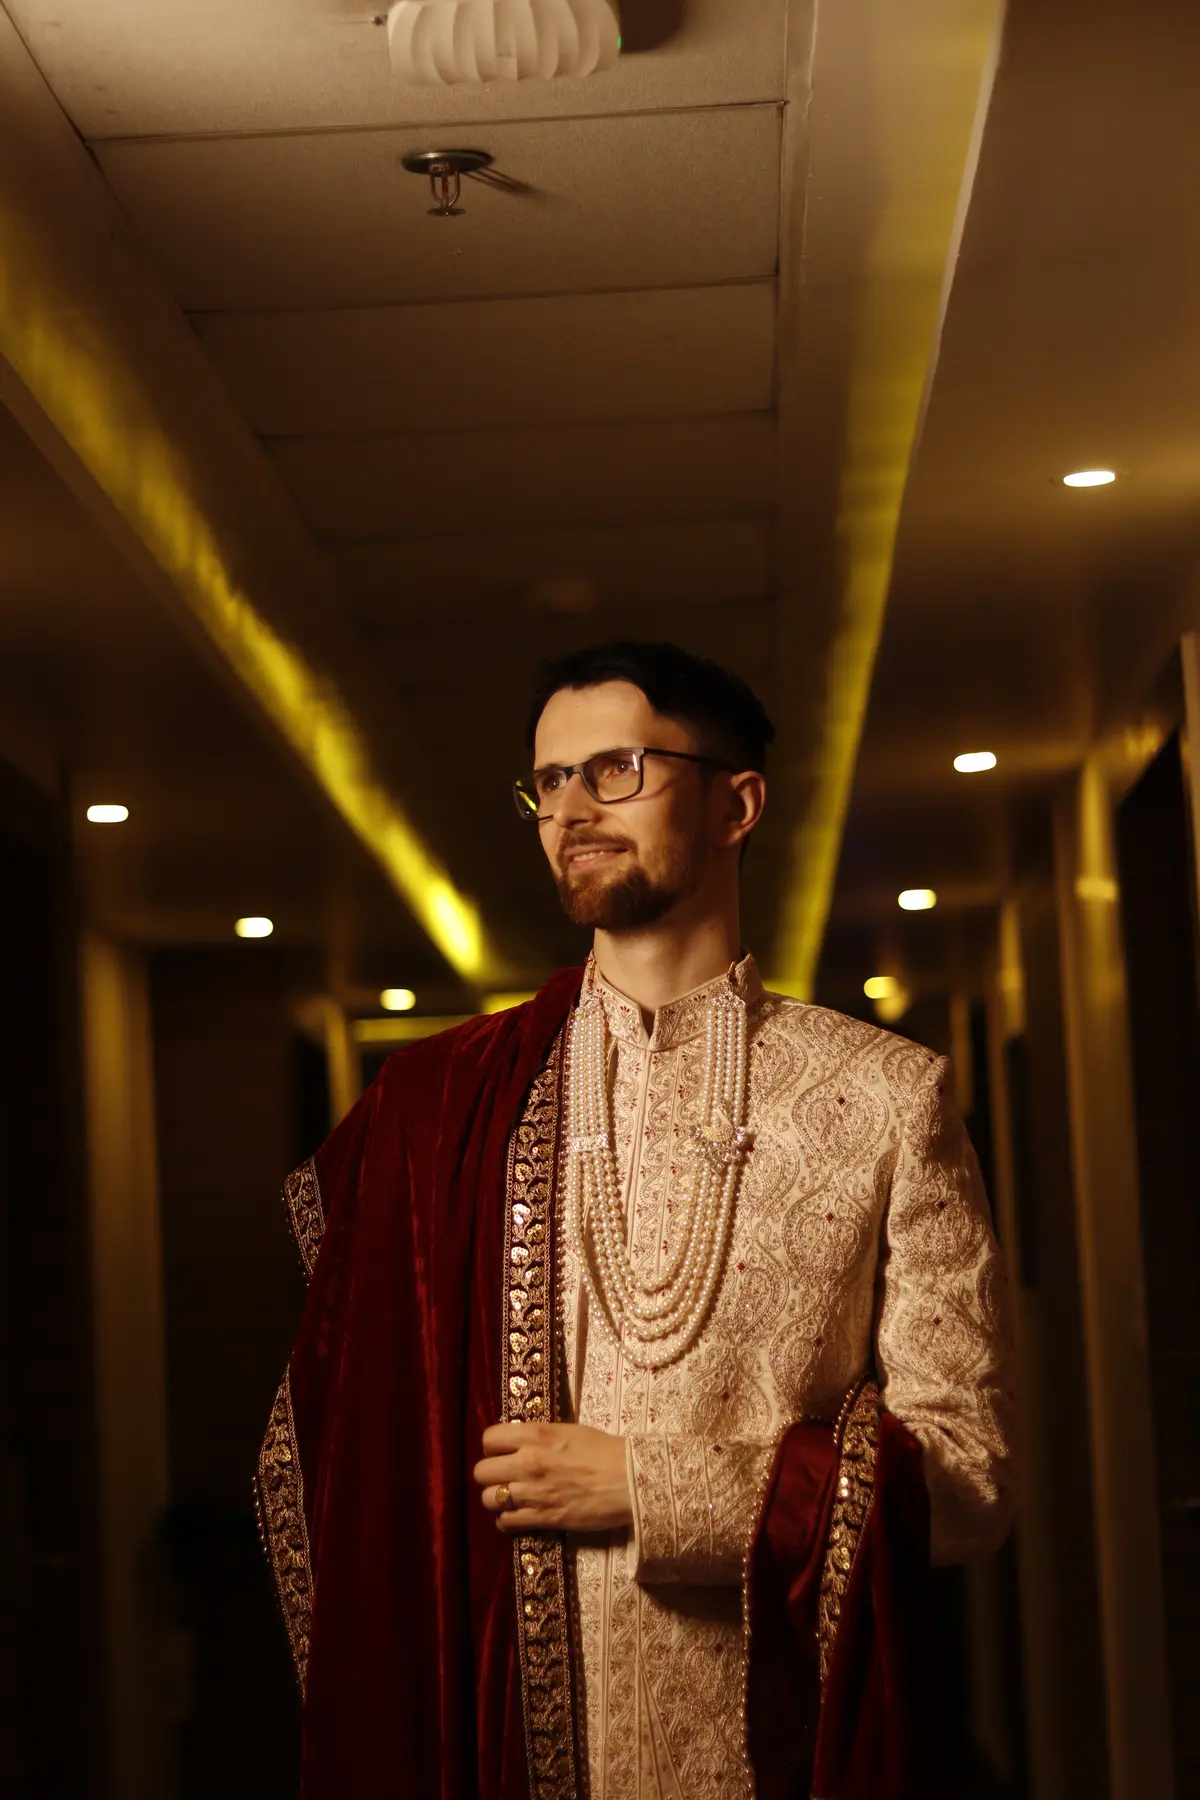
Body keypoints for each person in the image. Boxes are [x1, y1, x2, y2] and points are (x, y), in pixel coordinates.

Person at [257, 641, 1015, 1800]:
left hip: (784, 1751)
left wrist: (651, 1489)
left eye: (618, 770)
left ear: (737, 805)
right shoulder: (439, 1107)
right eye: (549, 782)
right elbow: (351, 1458)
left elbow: (966, 1481)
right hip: (499, 1746)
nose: (573, 811)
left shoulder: (885, 1099)